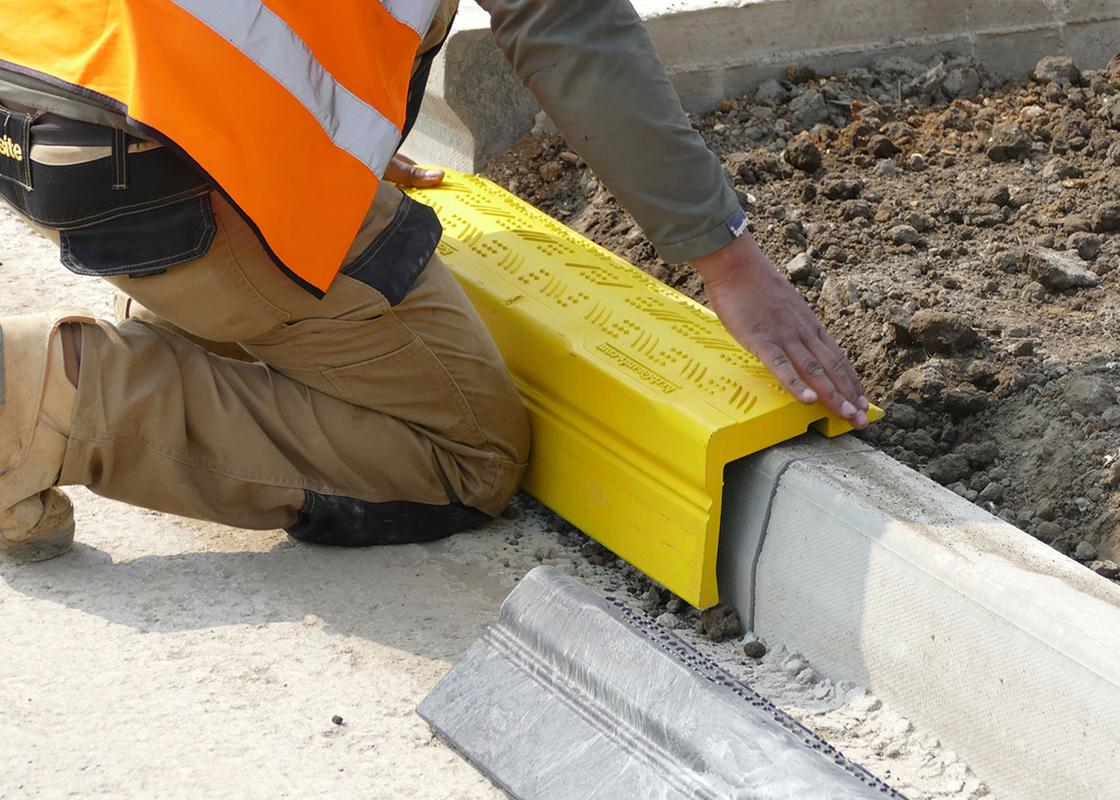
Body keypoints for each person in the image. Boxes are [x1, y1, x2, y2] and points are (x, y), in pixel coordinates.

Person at [0, 0, 867, 563]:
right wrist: (727, 257)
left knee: (269, 271)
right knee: (469, 454)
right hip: (173, 169)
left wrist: (337, 137)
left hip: (41, 104)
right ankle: (59, 398)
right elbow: (567, 24)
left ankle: (199, 309)